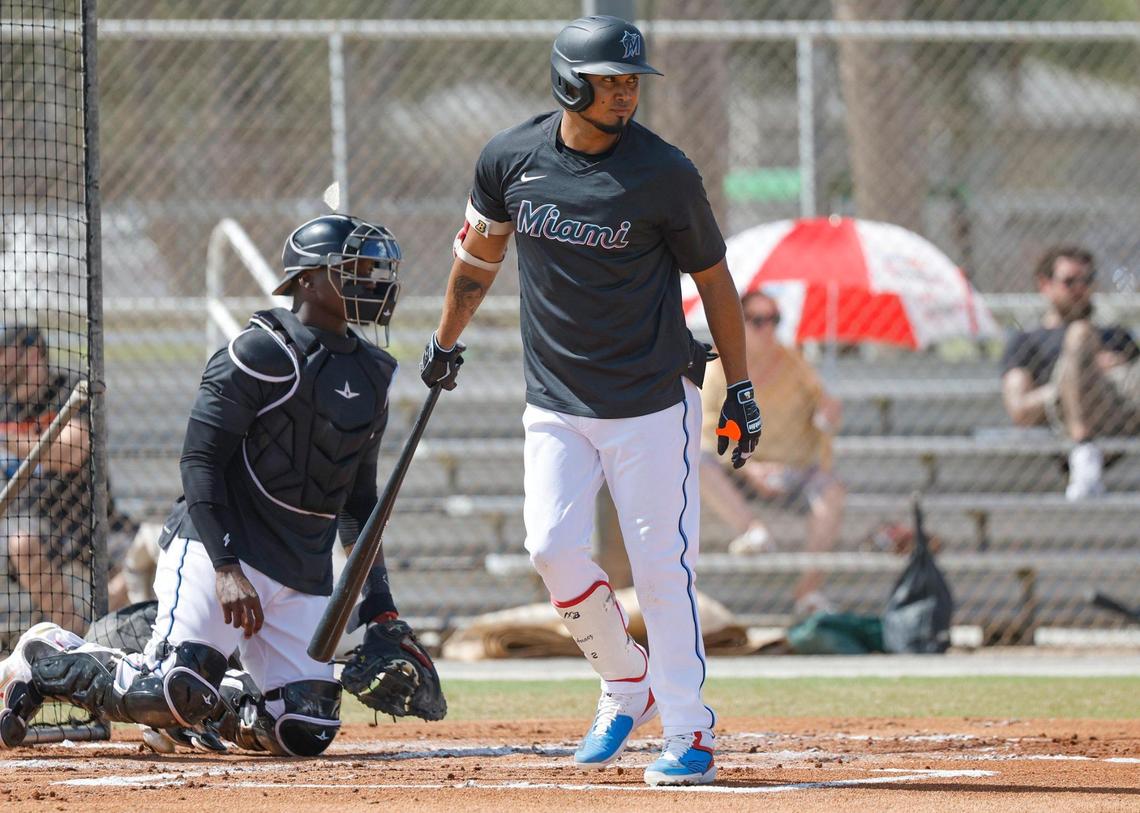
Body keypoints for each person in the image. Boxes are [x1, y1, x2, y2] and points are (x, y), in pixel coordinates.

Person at [419, 16, 760, 787]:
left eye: (633, 79)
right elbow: (477, 258)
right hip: (555, 397)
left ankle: (689, 729)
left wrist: (737, 387)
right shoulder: (510, 158)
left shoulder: (665, 172)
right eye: (611, 79)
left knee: (661, 569)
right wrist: (445, 342)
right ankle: (625, 681)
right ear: (570, 82)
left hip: (649, 399)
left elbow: (716, 283)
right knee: (552, 548)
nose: (626, 92)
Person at [0, 214, 443, 754]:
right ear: (308, 280)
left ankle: (211, 696)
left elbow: (360, 504)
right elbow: (199, 462)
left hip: (300, 565)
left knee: (302, 729)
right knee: (174, 690)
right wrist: (228, 570)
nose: (374, 283)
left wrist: (382, 608)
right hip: (219, 547)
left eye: (379, 271)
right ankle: (48, 655)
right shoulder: (258, 353)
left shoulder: (374, 373)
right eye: (357, 269)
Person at [699, 292, 845, 617]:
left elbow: (824, 416)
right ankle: (753, 529)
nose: (768, 329)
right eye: (758, 320)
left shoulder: (794, 361)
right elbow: (708, 428)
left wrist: (829, 412)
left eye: (774, 319)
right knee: (699, 462)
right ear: (738, 322)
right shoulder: (719, 364)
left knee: (833, 491)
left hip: (793, 471)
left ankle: (808, 590)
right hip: (739, 471)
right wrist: (748, 467)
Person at [1001, 246, 1140, 499]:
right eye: (1069, 282)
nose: (1080, 288)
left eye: (1087, 280)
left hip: (1120, 413)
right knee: (1080, 334)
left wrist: (1115, 369)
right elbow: (1020, 409)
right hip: (1065, 421)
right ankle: (1084, 449)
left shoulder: (1116, 335)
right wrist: (1078, 379)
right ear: (1045, 284)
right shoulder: (1027, 341)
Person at [1, 325, 91, 634]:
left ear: (33, 354)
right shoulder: (3, 404)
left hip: (86, 516)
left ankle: (84, 634)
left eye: (7, 353)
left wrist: (6, 438)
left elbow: (72, 452)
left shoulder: (68, 390)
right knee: (22, 543)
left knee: (148, 556)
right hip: (28, 519)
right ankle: (75, 639)